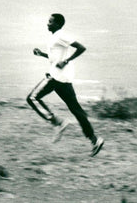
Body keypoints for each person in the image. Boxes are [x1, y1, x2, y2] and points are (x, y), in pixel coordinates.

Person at [27, 13, 105, 157]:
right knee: (76, 110)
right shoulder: (54, 38)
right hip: (64, 79)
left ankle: (57, 122)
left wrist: (67, 61)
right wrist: (42, 54)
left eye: (50, 22)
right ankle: (95, 140)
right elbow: (55, 58)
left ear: (57, 24)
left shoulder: (61, 35)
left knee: (32, 98)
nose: (47, 24)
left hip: (56, 77)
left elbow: (81, 48)